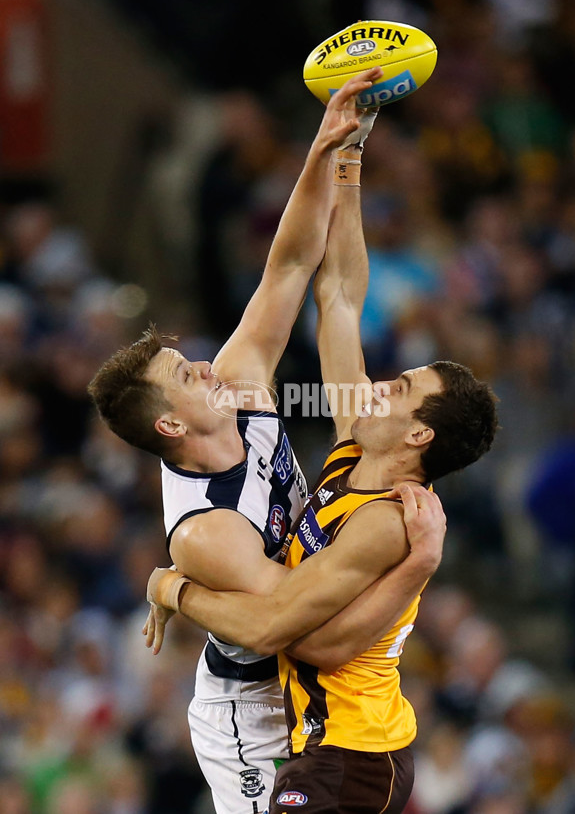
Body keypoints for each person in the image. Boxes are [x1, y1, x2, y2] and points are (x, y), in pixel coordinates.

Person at [88, 67, 447, 814]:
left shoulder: (241, 384)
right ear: (172, 426)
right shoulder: (205, 533)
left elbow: (288, 268)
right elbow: (299, 621)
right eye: (186, 375)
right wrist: (170, 585)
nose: (205, 367)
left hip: (309, 696)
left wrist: (327, 149)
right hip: (249, 709)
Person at [146, 121, 499, 812]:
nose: (379, 383)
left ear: (419, 433)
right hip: (338, 748)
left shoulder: (389, 523)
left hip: (351, 756)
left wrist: (172, 590)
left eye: (399, 389)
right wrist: (349, 158)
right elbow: (337, 293)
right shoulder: (351, 453)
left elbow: (307, 638)